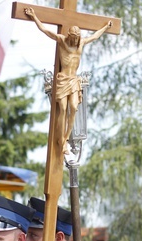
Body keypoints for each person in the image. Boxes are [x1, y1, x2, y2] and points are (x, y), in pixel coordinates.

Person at [25, 7, 113, 148]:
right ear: (70, 36)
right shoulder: (62, 40)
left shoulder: (82, 43)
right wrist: (34, 16)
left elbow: (95, 36)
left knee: (74, 107)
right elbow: (45, 30)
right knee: (63, 109)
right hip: (62, 79)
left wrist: (105, 27)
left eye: (77, 38)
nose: (75, 40)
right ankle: (61, 140)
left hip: (74, 80)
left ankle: (66, 137)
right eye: (74, 37)